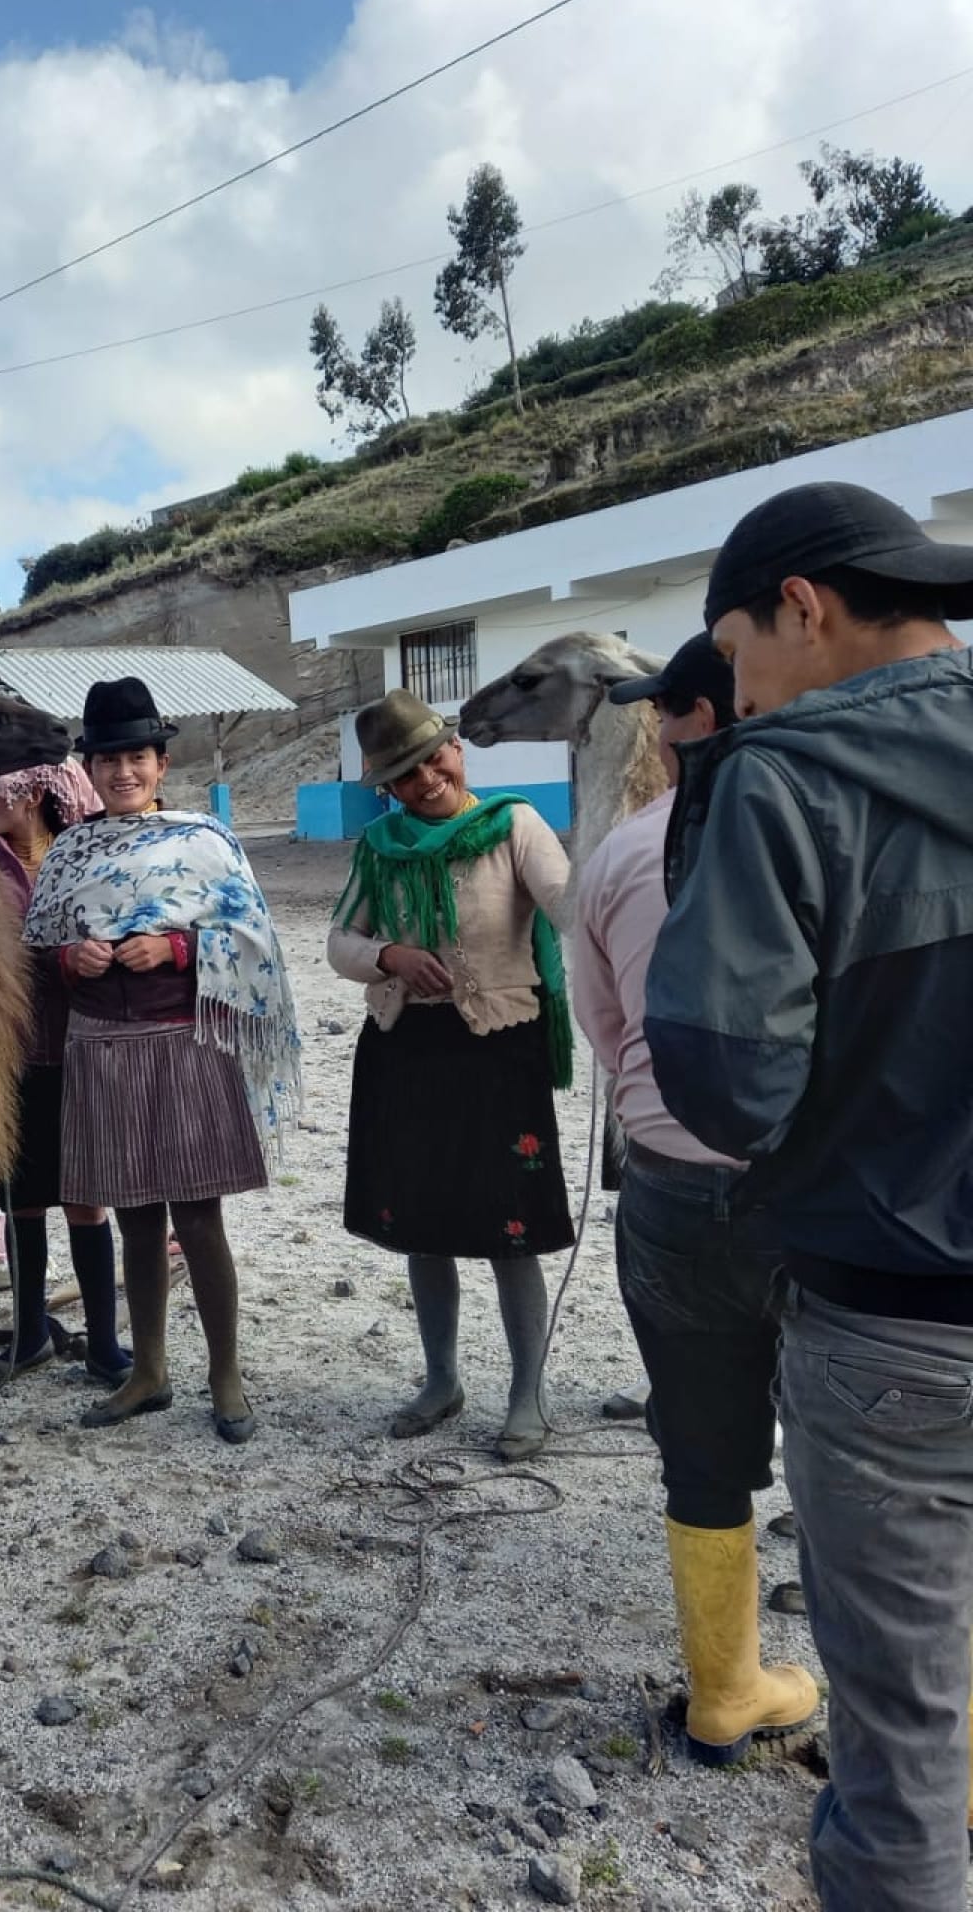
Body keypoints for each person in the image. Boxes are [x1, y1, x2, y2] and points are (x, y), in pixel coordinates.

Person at [645, 483, 973, 1911]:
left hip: (890, 1323)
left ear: (803, 607)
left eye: (733, 649)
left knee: (898, 1759)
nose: (736, 687)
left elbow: (727, 1083)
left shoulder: (784, 780)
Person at [570, 633, 814, 1765]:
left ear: (704, 721)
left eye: (667, 717)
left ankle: (723, 1691)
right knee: (882, 1456)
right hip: (822, 1192)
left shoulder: (619, 854)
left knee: (704, 1445)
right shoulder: (827, 829)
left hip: (668, 1187)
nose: (657, 739)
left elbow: (607, 1031)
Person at [23, 678, 302, 1445]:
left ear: (161, 761)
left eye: (137, 757)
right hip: (101, 1048)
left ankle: (226, 1375)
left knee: (199, 1216)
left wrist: (177, 946)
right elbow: (38, 950)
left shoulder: (205, 842)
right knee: (135, 1219)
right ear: (89, 767)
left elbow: (254, 942)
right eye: (108, 758)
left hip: (184, 1041)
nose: (123, 772)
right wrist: (70, 958)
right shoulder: (70, 851)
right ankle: (148, 1371)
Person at [328, 689, 573, 1462]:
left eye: (434, 758)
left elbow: (569, 904)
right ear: (386, 787)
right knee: (423, 1225)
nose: (426, 779)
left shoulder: (513, 826)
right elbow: (341, 941)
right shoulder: (379, 846)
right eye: (403, 774)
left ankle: (527, 1393)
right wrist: (388, 957)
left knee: (511, 1227)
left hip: (500, 1050)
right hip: (406, 1050)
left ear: (458, 748)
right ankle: (441, 1382)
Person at [0, 759, 128, 1383]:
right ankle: (28, 1333)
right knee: (21, 1202)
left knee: (86, 1199)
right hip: (10, 1052)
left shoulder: (83, 859)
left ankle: (102, 1342)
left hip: (79, 1043)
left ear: (35, 793)